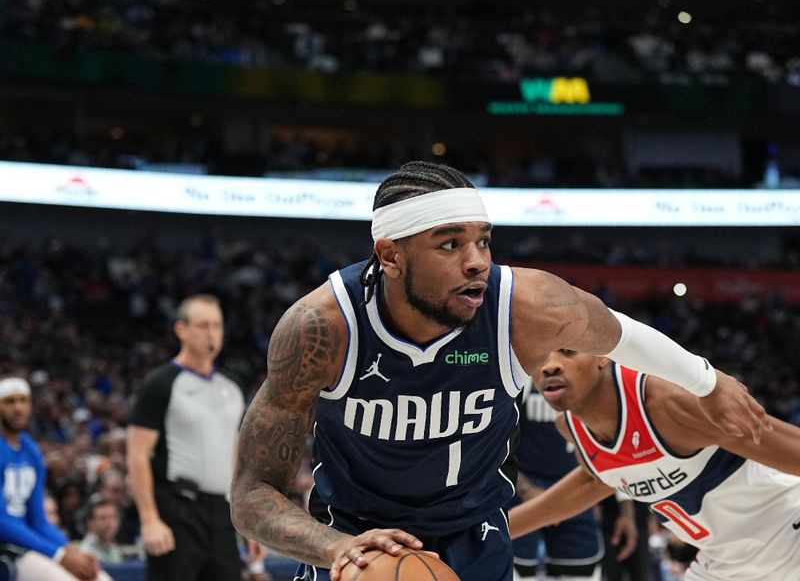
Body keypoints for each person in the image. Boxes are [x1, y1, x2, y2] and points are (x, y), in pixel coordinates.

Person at [229, 161, 769, 581]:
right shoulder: (320, 329)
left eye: (482, 240)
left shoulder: (526, 307)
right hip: (352, 536)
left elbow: (618, 332)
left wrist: (708, 381)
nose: (476, 261)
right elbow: (252, 492)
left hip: (475, 534)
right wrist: (335, 547)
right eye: (450, 244)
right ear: (390, 256)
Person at [508, 349, 800, 580]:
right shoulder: (572, 428)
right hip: (726, 562)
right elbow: (593, 482)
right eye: (541, 357)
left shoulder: (666, 402)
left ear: (601, 355)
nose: (550, 366)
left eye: (568, 351)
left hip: (791, 532)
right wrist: (483, 533)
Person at [126, 294, 266, 581]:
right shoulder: (160, 383)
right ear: (181, 329)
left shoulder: (232, 389)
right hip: (177, 509)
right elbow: (137, 455)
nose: (211, 332)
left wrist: (247, 521)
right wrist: (150, 519)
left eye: (217, 325)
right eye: (202, 325)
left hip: (222, 514)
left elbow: (236, 459)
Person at [512, 383, 638, 581]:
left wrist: (626, 509)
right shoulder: (522, 378)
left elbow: (613, 447)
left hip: (574, 490)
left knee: (583, 571)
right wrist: (527, 490)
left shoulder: (591, 382)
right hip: (523, 489)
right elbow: (498, 448)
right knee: (514, 569)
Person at [0, 376, 110, 581]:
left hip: (26, 543)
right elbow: (1, 522)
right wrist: (58, 555)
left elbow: (38, 519)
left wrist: (70, 550)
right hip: (5, 547)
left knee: (99, 578)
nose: (18, 408)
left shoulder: (30, 450)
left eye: (23, 400)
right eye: (9, 402)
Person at [79, 498, 124, 565]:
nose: (108, 523)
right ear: (90, 523)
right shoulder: (85, 552)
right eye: (103, 518)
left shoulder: (114, 549)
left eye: (111, 517)